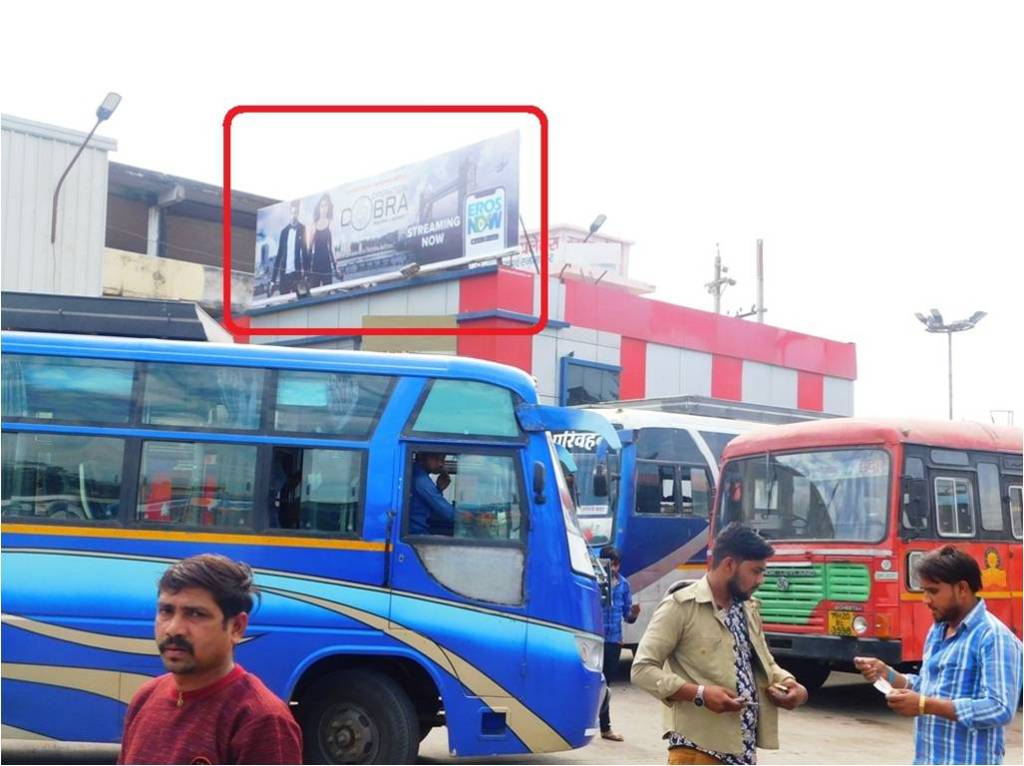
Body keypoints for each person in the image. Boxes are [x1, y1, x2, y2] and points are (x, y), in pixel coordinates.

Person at [631, 523, 808, 765]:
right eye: (755, 571)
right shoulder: (680, 606)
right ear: (729, 565)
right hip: (697, 751)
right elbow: (641, 670)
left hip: (742, 752)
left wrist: (791, 685)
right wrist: (700, 694)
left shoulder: (747, 608)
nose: (760, 580)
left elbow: (765, 663)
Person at [119, 554, 303, 764]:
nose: (174, 629)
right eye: (166, 611)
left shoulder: (260, 719)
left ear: (237, 627)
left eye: (196, 614)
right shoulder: (146, 697)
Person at [854, 545, 1022, 765]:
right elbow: (930, 686)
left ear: (962, 588)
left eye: (933, 591)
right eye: (924, 591)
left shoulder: (993, 637)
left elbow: (999, 708)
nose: (926, 599)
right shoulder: (938, 630)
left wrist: (925, 705)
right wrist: (889, 675)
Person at [597, 545, 640, 742]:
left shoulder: (624, 585)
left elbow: (627, 616)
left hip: (613, 642)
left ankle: (605, 728)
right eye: (610, 564)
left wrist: (634, 614)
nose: (613, 568)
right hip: (595, 639)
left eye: (616, 564)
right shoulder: (593, 582)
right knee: (589, 684)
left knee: (606, 686)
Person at [409, 452, 456, 535]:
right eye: (436, 458)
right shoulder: (421, 479)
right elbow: (447, 513)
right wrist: (466, 517)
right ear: (421, 456)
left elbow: (431, 508)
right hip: (417, 533)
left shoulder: (416, 472)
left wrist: (439, 489)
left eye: (443, 459)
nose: (441, 464)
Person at [271, 200, 309, 296]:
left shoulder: (302, 229)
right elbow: (279, 256)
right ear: (289, 213)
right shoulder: (284, 232)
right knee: (284, 299)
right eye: (292, 213)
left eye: (295, 213)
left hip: (297, 274)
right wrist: (273, 280)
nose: (293, 216)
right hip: (284, 275)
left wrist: (306, 274)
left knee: (302, 298)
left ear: (298, 213)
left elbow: (305, 253)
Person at [308, 193, 337, 289]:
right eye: (322, 206)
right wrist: (308, 268)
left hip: (326, 263)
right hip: (315, 264)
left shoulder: (330, 223)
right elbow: (309, 249)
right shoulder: (313, 225)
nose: (324, 208)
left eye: (326, 206)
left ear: (328, 208)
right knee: (314, 292)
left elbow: (331, 248)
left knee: (328, 290)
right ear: (319, 207)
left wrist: (336, 267)